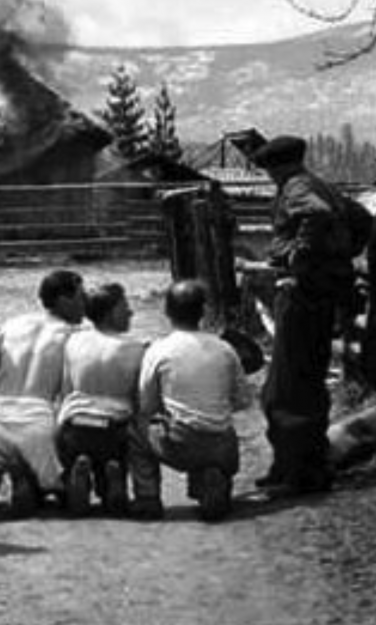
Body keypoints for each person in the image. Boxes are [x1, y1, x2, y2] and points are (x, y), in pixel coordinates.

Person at [251, 135, 356, 496]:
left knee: (289, 386)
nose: (269, 176)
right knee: (297, 382)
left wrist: (300, 257)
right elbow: (360, 222)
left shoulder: (297, 186)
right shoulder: (317, 183)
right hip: (316, 292)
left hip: (302, 293)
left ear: (279, 166)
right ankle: (292, 464)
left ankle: (303, 472)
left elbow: (316, 214)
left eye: (268, 170)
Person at [0, 269, 86, 518]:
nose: (86, 305)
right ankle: (35, 484)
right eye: (81, 297)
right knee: (57, 490)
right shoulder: (72, 337)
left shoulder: (13, 325)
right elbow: (69, 390)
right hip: (38, 420)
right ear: (63, 299)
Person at [127, 280, 244, 522]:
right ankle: (211, 478)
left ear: (167, 312)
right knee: (213, 427)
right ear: (203, 312)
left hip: (182, 443)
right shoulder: (225, 349)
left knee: (136, 433)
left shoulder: (159, 351)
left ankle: (147, 497)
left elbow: (146, 405)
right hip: (223, 445)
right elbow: (242, 400)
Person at [57, 283, 147, 517]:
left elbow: (66, 390)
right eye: (124, 307)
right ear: (109, 313)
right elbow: (139, 401)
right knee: (123, 444)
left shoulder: (73, 342)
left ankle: (78, 477)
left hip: (75, 426)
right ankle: (112, 479)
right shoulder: (136, 348)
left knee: (72, 448)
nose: (130, 312)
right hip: (113, 430)